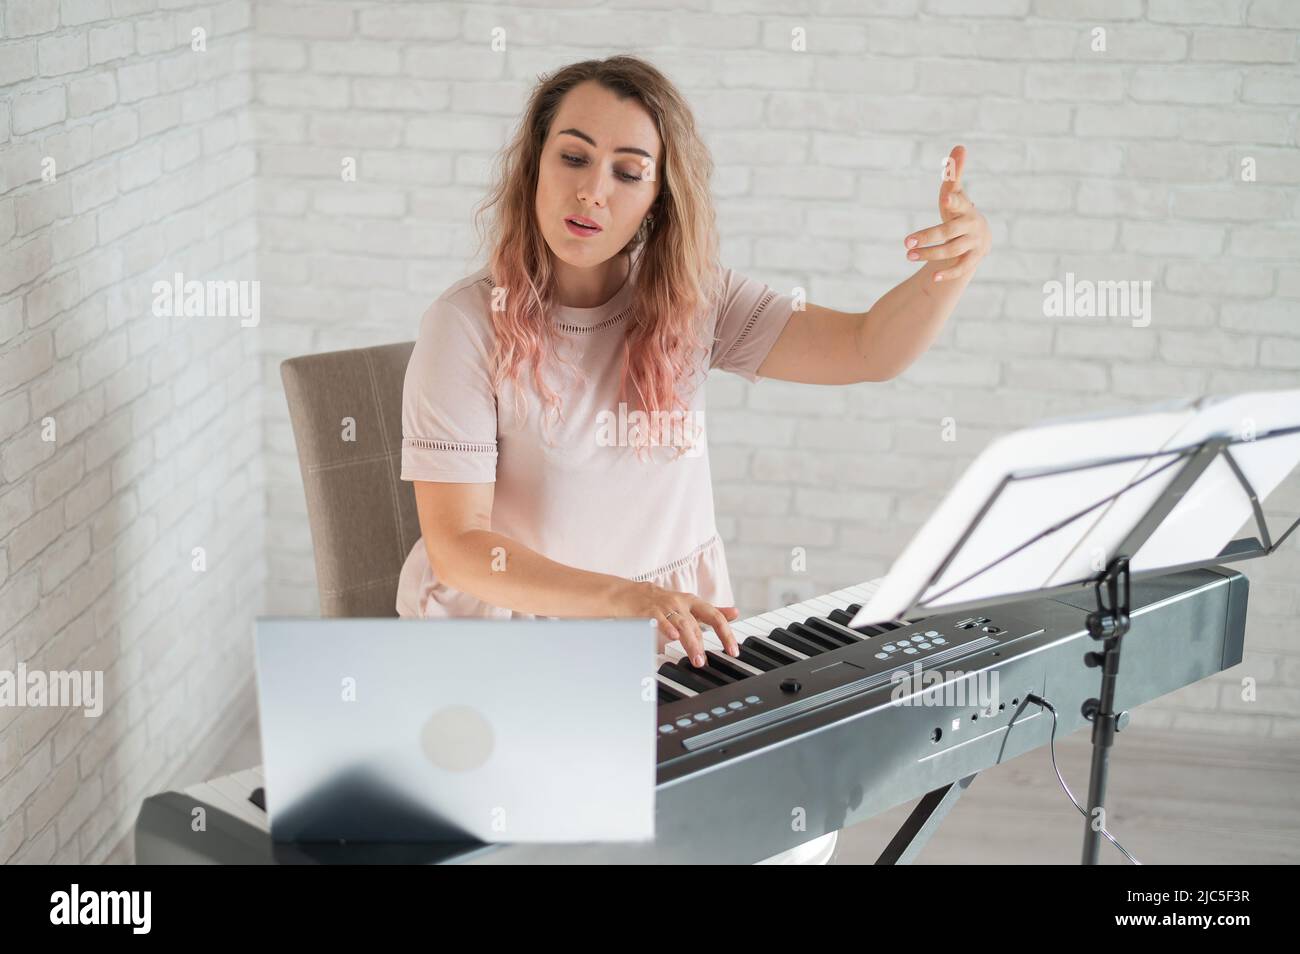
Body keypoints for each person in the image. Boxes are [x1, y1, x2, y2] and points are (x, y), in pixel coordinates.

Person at [396, 55, 991, 865]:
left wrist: (948, 270)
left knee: (799, 836)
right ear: (534, 164)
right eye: (572, 157)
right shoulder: (464, 327)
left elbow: (865, 348)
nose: (591, 191)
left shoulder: (693, 301)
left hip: (671, 645)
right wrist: (623, 597)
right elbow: (459, 545)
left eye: (627, 172)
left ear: (656, 199)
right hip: (521, 649)